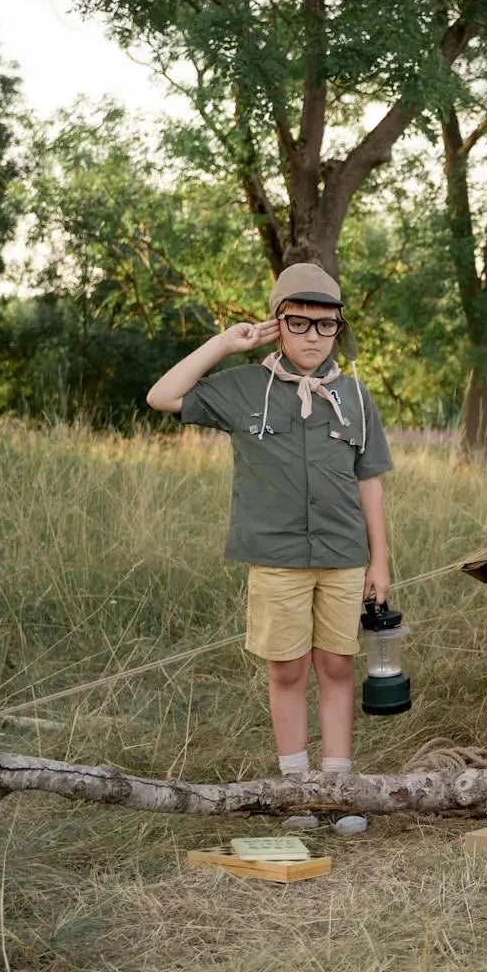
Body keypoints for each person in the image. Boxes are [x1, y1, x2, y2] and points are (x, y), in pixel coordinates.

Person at [146, 262, 393, 794]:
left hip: (343, 555)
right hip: (277, 556)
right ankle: (295, 788)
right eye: (298, 323)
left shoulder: (355, 396)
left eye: (325, 325)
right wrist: (223, 344)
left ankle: (336, 786)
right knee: (287, 670)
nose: (312, 336)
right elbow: (162, 396)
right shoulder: (243, 388)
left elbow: (369, 481)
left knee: (336, 664)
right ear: (277, 324)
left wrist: (380, 561)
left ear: (339, 329)